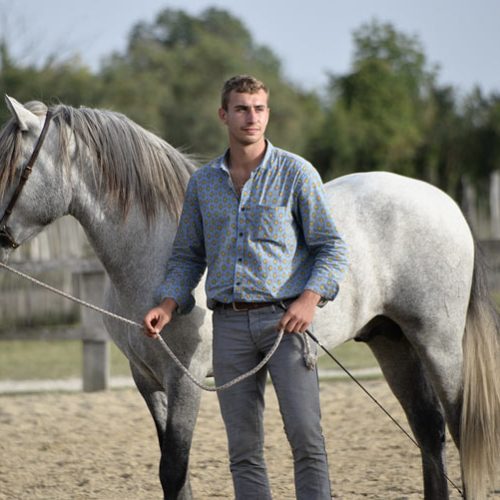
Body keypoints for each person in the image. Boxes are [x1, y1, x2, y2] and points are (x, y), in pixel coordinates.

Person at [143, 74, 348, 499]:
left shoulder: (296, 173)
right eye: (241, 108)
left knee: (307, 440)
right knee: (243, 449)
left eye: (258, 108)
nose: (251, 117)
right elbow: (187, 255)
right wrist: (167, 304)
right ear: (224, 115)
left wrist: (310, 299)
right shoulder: (202, 183)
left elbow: (330, 248)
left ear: (267, 113)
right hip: (229, 328)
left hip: (286, 325)